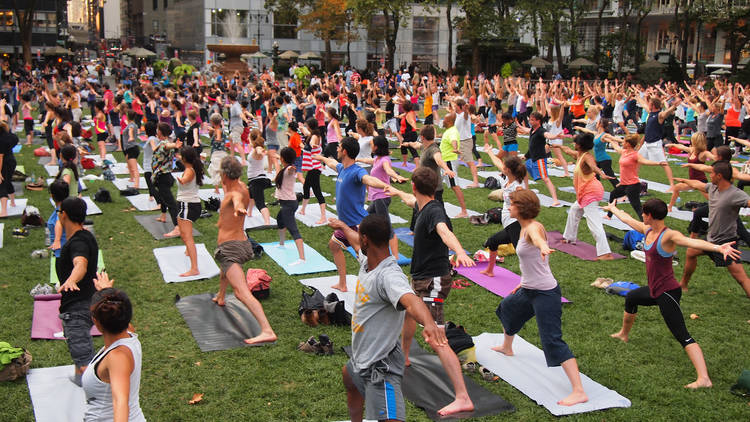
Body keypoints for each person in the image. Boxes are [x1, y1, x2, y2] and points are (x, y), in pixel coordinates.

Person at [332, 214, 469, 420]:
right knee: (349, 378)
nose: (358, 240)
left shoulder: (389, 275)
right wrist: (342, 225)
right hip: (362, 356)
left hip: (380, 365)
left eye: (361, 236)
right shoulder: (367, 261)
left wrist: (430, 323)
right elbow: (354, 241)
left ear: (366, 239)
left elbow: (411, 300)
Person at [603, 198, 739, 388]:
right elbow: (628, 220)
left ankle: (704, 379)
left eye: (644, 212)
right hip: (654, 290)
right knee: (632, 298)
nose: (641, 215)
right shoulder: (648, 230)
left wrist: (718, 247)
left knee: (682, 334)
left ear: (650, 215)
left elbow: (690, 241)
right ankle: (623, 334)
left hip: (667, 293)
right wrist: (613, 209)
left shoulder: (669, 236)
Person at [386, 167, 475, 416]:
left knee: (436, 336)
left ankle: (463, 397)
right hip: (422, 279)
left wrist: (460, 251)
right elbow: (410, 199)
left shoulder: (435, 211)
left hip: (433, 281)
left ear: (416, 186)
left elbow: (444, 232)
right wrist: (394, 190)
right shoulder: (424, 204)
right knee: (408, 313)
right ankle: (403, 357)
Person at [493, 189, 588, 406]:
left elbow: (537, 240)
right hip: (528, 288)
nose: (509, 207)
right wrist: (522, 282)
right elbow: (531, 262)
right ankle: (507, 347)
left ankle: (579, 390)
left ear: (522, 208)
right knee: (507, 309)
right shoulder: (523, 226)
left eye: (513, 204)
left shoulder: (533, 228)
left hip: (545, 293)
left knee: (552, 339)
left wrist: (544, 246)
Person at [212, 157, 277, 344]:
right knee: (226, 270)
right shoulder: (241, 186)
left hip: (231, 248)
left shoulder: (234, 193)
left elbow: (237, 201)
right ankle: (221, 296)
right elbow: (237, 196)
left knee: (241, 292)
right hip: (243, 243)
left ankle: (267, 330)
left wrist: (239, 209)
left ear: (225, 175)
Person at [314, 137, 390, 292]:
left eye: (339, 147)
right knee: (334, 246)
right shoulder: (343, 168)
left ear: (345, 151)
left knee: (367, 260)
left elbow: (368, 179)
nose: (336, 149)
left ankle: (381, 288)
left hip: (357, 225)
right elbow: (332, 163)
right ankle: (343, 283)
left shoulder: (357, 171)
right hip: (345, 224)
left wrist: (385, 186)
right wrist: (321, 157)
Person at [675, 161, 750, 297]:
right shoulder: (713, 188)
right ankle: (683, 285)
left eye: (712, 173)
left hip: (726, 243)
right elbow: (699, 185)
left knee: (741, 278)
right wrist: (684, 180)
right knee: (691, 252)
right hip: (711, 240)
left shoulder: (735, 194)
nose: (710, 176)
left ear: (719, 176)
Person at [82, 287, 146, 421]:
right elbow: (118, 313)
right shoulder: (129, 334)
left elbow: (120, 402)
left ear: (96, 322)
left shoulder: (117, 357)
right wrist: (107, 294)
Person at [55, 197, 99, 387]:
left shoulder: (78, 244)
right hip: (87, 301)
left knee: (84, 359)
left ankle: (99, 394)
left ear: (64, 215)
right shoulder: (86, 235)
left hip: (78, 308)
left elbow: (80, 263)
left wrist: (72, 280)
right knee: (79, 349)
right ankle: (79, 378)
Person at [553, 133, 616, 260]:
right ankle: (569, 238)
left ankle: (606, 253)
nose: (573, 144)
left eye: (575, 143)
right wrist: (556, 146)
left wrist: (601, 174)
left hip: (591, 192)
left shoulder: (587, 157)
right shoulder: (579, 155)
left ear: (580, 145)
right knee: (574, 211)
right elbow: (568, 150)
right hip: (585, 192)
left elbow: (593, 166)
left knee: (594, 223)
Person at [356, 135, 408, 260]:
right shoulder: (378, 159)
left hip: (382, 198)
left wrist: (396, 176)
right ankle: (366, 247)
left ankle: (395, 257)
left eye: (372, 144)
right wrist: (357, 160)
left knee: (387, 228)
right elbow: (369, 161)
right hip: (377, 198)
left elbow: (388, 170)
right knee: (363, 220)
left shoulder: (385, 160)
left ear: (377, 146)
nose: (371, 146)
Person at [480, 144, 526, 276]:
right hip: (508, 223)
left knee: (522, 254)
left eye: (505, 167)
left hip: (515, 224)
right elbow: (497, 162)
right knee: (493, 241)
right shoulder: (508, 178)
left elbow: (526, 201)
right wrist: (489, 151)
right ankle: (490, 270)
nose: (502, 167)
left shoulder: (517, 186)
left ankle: (530, 281)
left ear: (509, 170)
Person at [603, 134, 667, 220]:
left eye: (624, 142)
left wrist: (658, 163)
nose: (622, 143)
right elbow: (616, 147)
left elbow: (644, 161)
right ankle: (609, 215)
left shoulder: (635, 155)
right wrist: (610, 140)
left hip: (633, 185)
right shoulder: (624, 152)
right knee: (613, 195)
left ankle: (646, 223)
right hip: (624, 184)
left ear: (628, 144)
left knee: (637, 207)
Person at [170, 146, 204, 276]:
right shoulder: (190, 167)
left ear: (185, 159)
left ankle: (194, 268)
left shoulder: (189, 170)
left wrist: (181, 180)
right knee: (183, 231)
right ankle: (188, 251)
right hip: (187, 204)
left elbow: (185, 180)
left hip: (188, 205)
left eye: (180, 156)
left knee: (188, 237)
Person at [636, 96, 680, 190]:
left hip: (655, 144)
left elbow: (665, 113)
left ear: (653, 105)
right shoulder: (651, 113)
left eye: (650, 103)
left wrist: (673, 107)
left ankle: (672, 185)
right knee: (636, 160)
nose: (648, 104)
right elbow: (643, 104)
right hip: (647, 143)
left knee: (664, 164)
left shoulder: (659, 115)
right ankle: (634, 179)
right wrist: (637, 96)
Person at [517, 112, 560, 206]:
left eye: (532, 120)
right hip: (531, 157)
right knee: (523, 170)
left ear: (538, 121)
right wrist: (519, 125)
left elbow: (547, 135)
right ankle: (527, 191)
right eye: (530, 119)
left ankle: (555, 200)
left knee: (545, 179)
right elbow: (527, 130)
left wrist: (555, 136)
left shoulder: (541, 130)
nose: (530, 121)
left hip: (539, 159)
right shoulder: (533, 129)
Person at [666, 132, 714, 211]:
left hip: (700, 181)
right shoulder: (692, 150)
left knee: (713, 200)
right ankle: (670, 207)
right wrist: (673, 145)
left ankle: (721, 209)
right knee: (676, 187)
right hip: (691, 180)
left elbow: (713, 157)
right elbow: (682, 147)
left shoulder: (703, 153)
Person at [274, 147, 306, 265]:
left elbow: (291, 170)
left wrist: (292, 168)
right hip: (287, 203)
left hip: (289, 204)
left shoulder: (289, 170)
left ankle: (302, 258)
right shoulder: (285, 168)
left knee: (293, 230)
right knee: (280, 221)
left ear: (283, 159)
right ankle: (282, 244)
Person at [438, 113, 469, 217]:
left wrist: (455, 148)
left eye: (445, 119)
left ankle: (464, 211)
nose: (443, 121)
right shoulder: (449, 130)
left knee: (455, 186)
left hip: (449, 162)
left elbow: (453, 141)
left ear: (449, 122)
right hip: (444, 162)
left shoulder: (452, 132)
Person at [151, 123, 182, 227]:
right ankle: (163, 215)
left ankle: (178, 226)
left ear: (160, 131)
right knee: (163, 197)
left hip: (163, 177)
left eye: (158, 129)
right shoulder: (164, 142)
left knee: (171, 203)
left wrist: (175, 145)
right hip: (164, 176)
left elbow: (167, 146)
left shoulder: (165, 144)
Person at [300, 118, 327, 223]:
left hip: (315, 168)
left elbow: (312, 142)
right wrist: (302, 127)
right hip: (312, 168)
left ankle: (323, 217)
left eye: (307, 126)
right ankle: (303, 210)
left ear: (310, 126)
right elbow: (306, 133)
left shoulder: (315, 137)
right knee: (306, 187)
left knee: (317, 191)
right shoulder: (313, 133)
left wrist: (312, 145)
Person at [246, 129, 272, 226]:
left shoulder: (257, 149)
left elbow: (258, 150)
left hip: (257, 180)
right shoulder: (254, 147)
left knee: (260, 204)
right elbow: (255, 146)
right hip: (256, 180)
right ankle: (249, 212)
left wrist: (261, 152)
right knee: (250, 196)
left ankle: (267, 222)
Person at [0, 120, 18, 216]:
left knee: (2, 184)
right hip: (11, 161)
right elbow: (16, 139)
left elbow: (0, 157)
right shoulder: (8, 135)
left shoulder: (1, 140)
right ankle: (12, 202)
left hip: (5, 163)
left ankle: (4, 211)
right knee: (7, 180)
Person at [207, 113, 228, 194]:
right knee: (216, 171)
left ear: (212, 122)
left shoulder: (218, 130)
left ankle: (224, 192)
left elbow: (218, 137)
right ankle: (217, 189)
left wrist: (217, 139)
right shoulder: (219, 129)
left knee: (218, 173)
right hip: (221, 152)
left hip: (217, 154)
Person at [48, 179, 70, 256]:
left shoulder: (61, 211)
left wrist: (57, 240)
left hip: (61, 251)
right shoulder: (67, 207)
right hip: (64, 249)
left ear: (52, 195)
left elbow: (59, 223)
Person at [121, 110, 141, 190]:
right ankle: (132, 178)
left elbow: (130, 130)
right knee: (128, 164)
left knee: (134, 168)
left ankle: (136, 185)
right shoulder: (132, 124)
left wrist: (131, 137)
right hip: (129, 148)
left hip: (132, 149)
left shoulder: (131, 125)